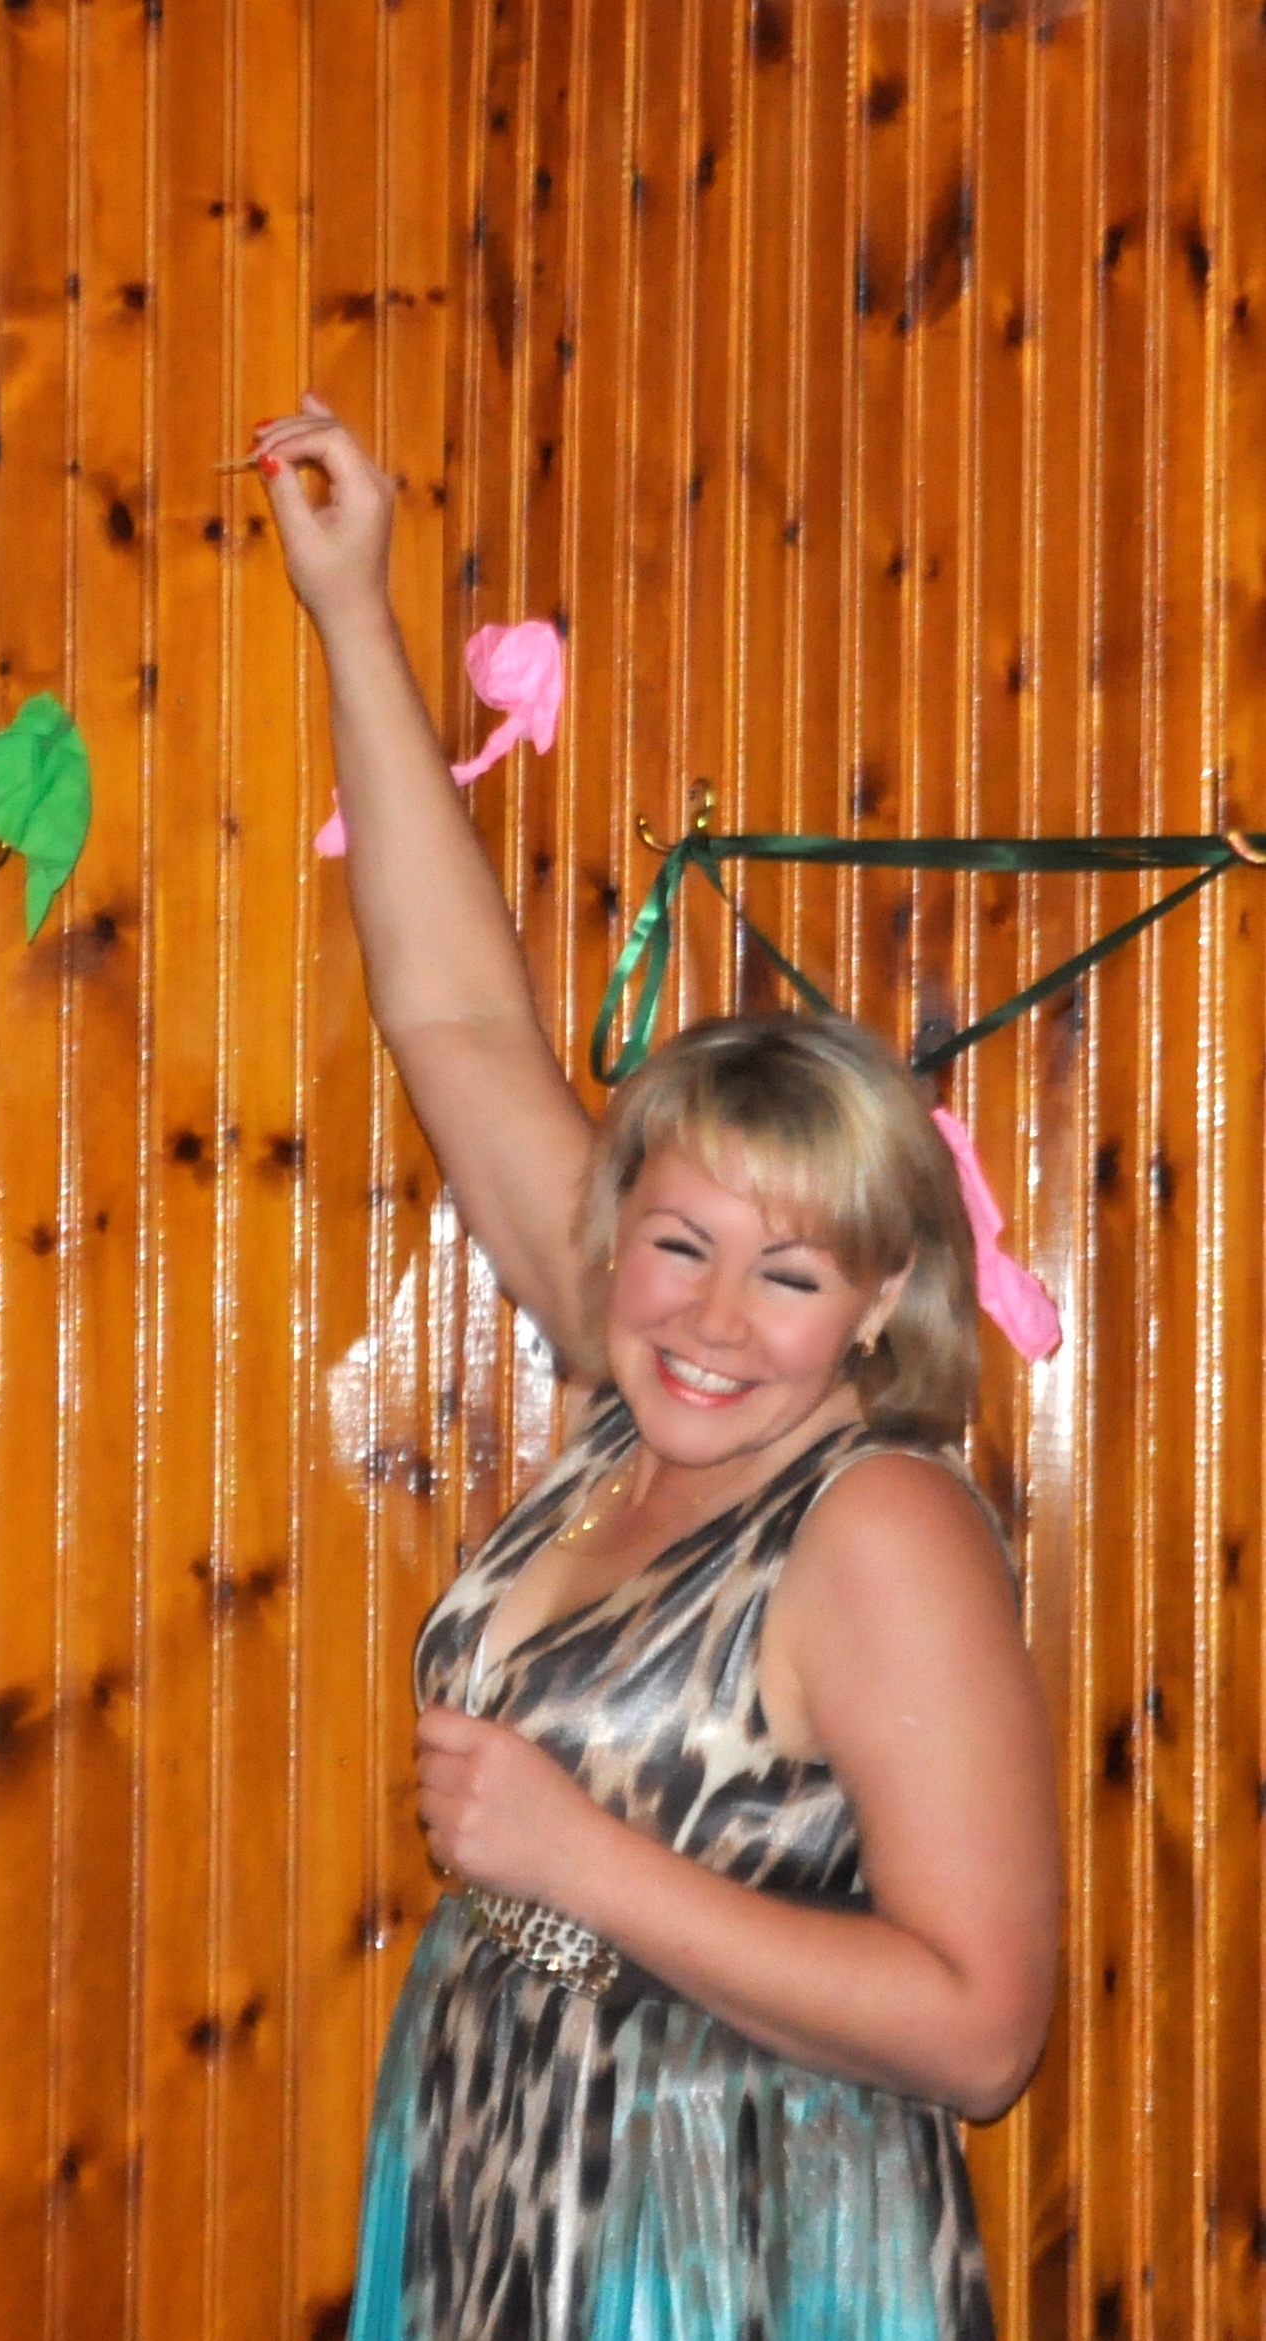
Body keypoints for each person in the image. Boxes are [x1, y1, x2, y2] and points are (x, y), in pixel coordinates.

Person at [255, 397, 1060, 2341]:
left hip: (729, 2239)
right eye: (679, 1242)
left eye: (788, 1273)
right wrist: (352, 607)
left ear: (876, 1297)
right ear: (620, 1230)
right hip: (500, 2169)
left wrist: (578, 1858)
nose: (710, 1317)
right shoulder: (631, 1388)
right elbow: (455, 1013)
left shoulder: (877, 1522)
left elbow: (980, 2029)